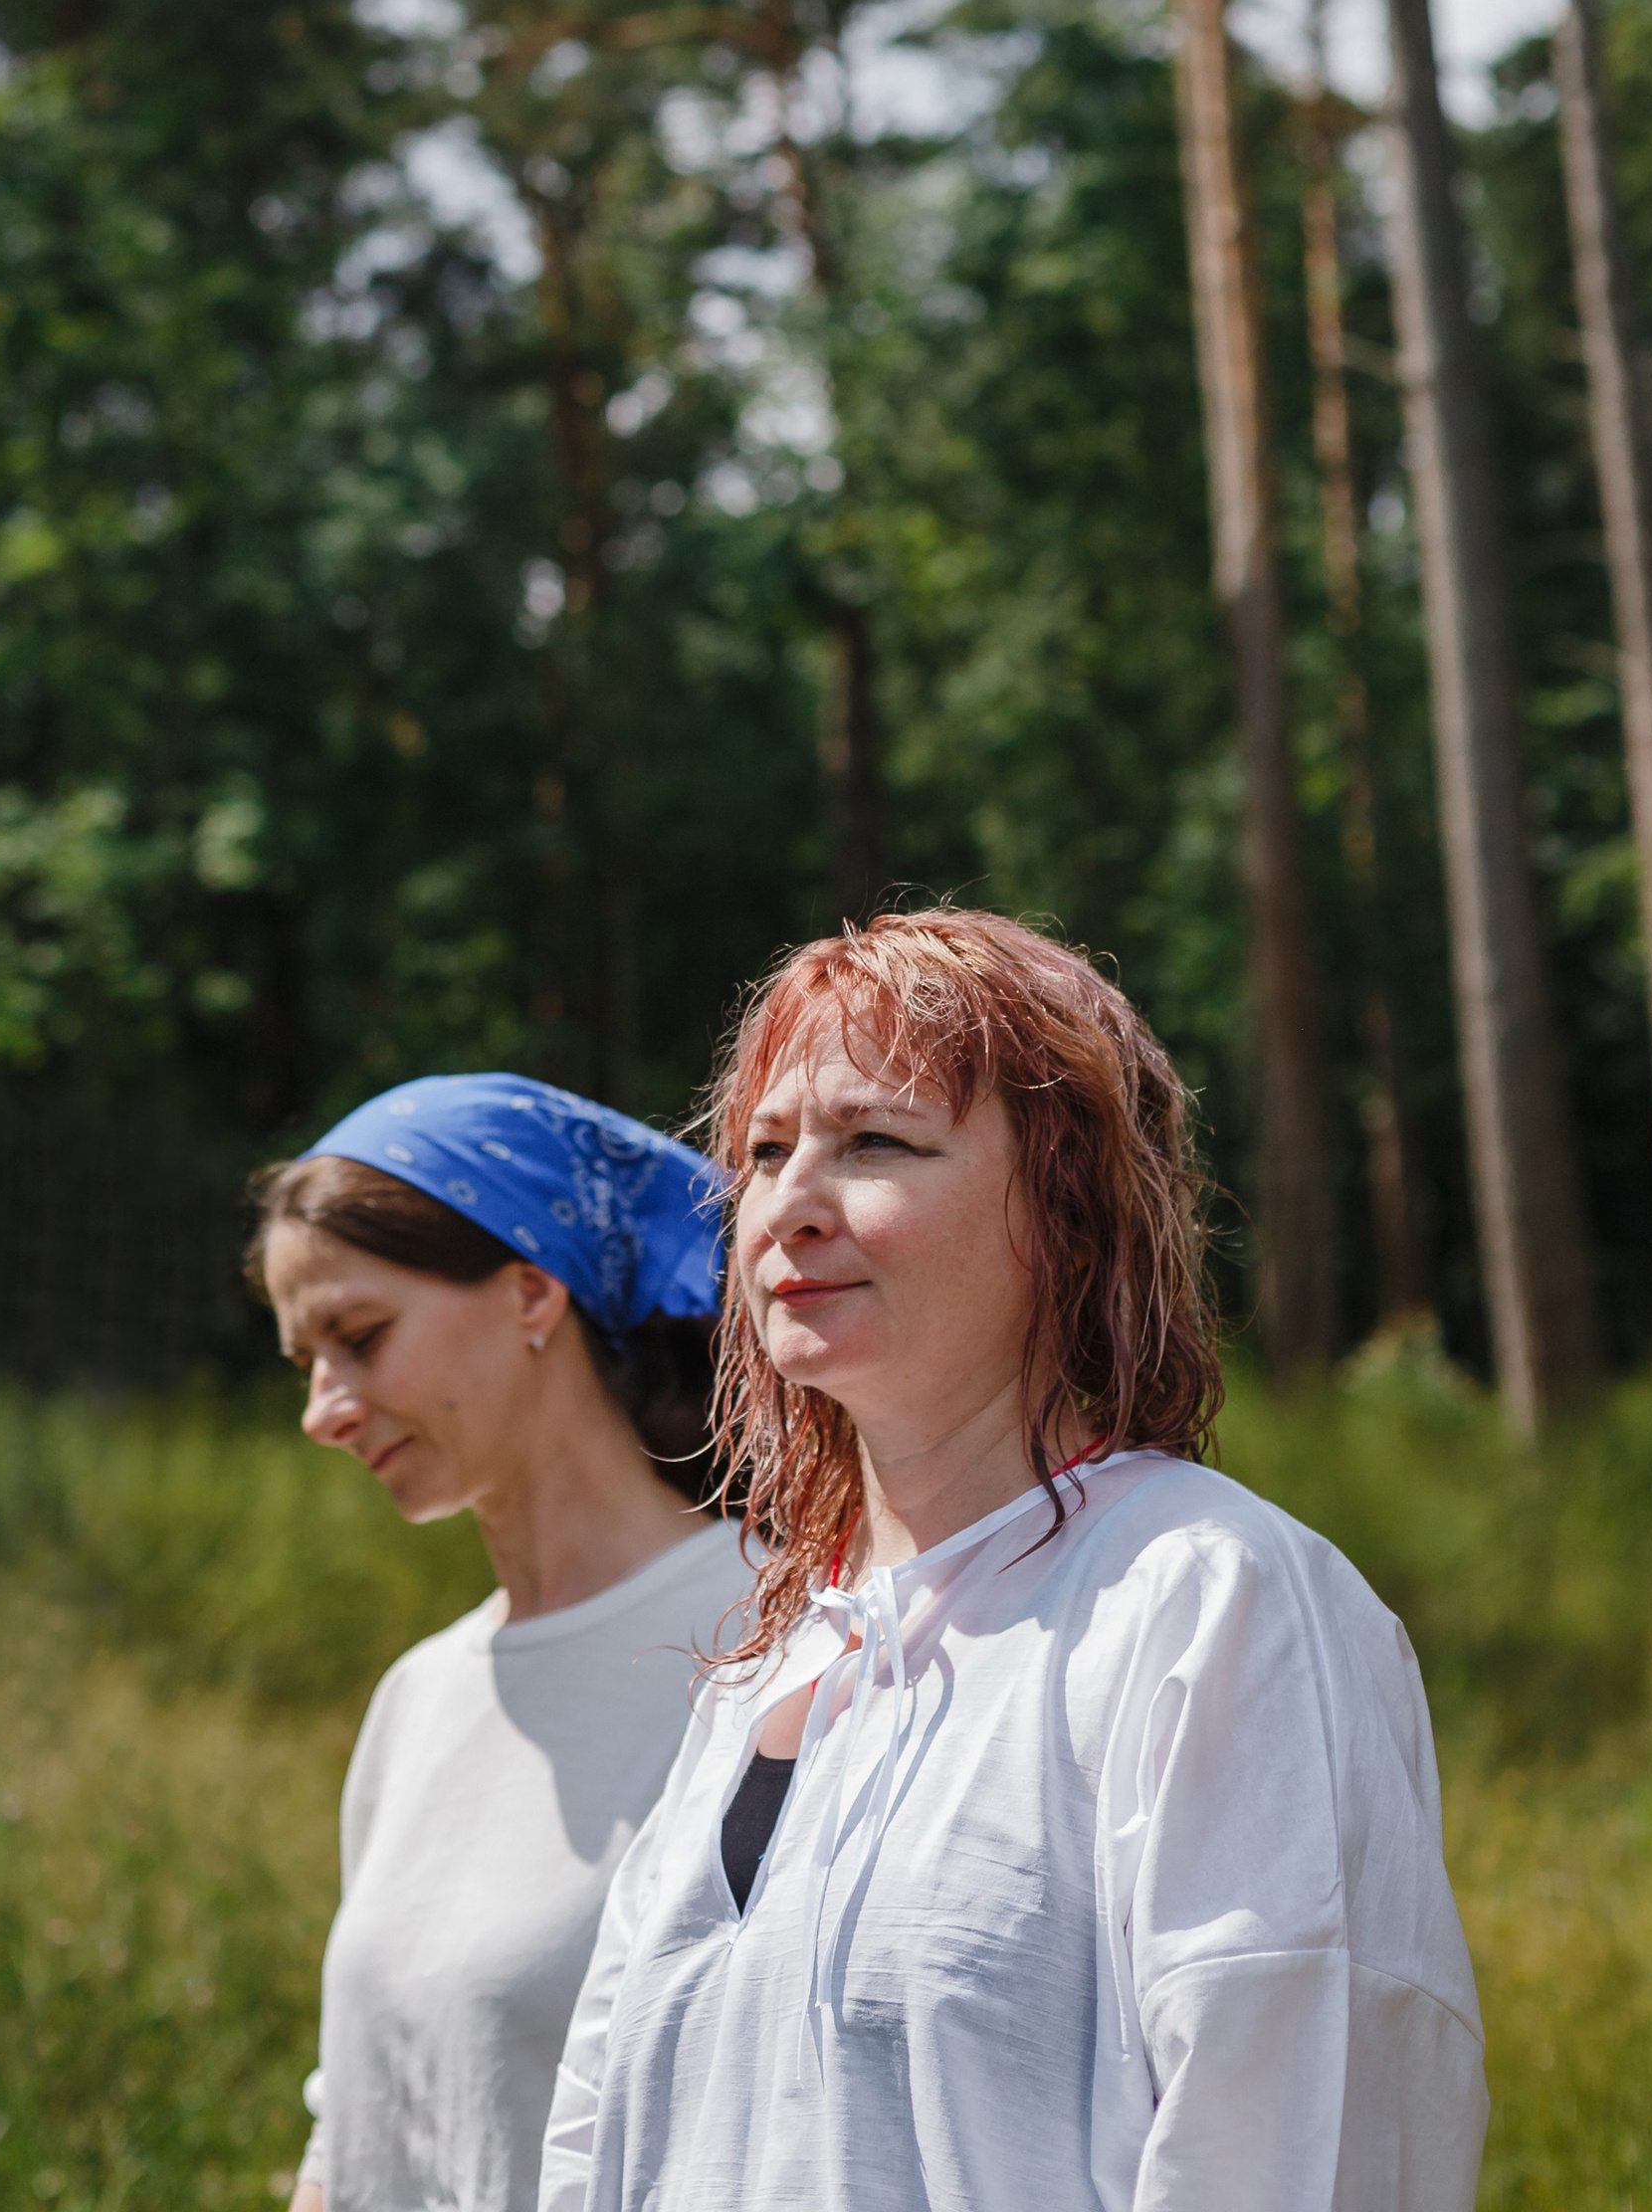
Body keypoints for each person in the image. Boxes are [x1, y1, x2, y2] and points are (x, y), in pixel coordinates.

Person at [539, 912, 1489, 2212]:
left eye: (876, 1141)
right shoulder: (761, 1670)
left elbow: (1297, 2129)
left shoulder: (1210, 1597)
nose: (789, 1205)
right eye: (765, 1153)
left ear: (1069, 1208)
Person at [255, 1071, 746, 2212]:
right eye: (305, 1364)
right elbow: (361, 2117)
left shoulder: (774, 1645)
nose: (323, 1410)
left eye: (360, 1337)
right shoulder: (418, 1699)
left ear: (532, 1291)